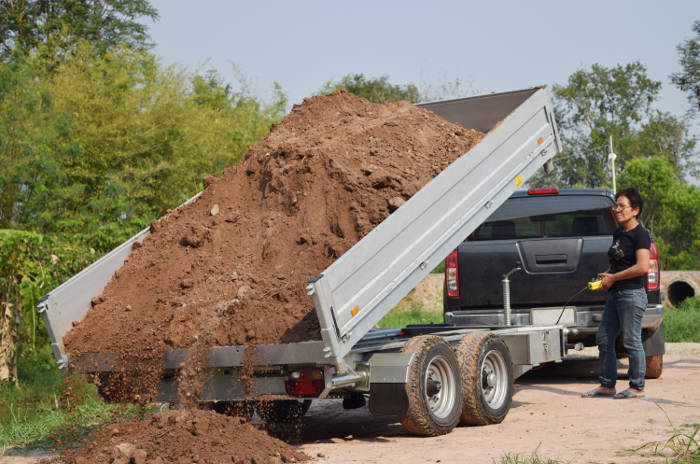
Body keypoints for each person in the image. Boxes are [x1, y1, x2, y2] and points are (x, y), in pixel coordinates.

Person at [583, 187, 650, 399]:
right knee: (604, 338)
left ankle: (637, 386)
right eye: (617, 206)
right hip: (615, 293)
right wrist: (608, 275)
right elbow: (620, 263)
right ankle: (607, 385)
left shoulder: (641, 235)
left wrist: (615, 278)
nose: (618, 210)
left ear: (635, 210)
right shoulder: (618, 233)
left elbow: (642, 267)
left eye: (622, 206)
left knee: (631, 340)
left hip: (631, 294)